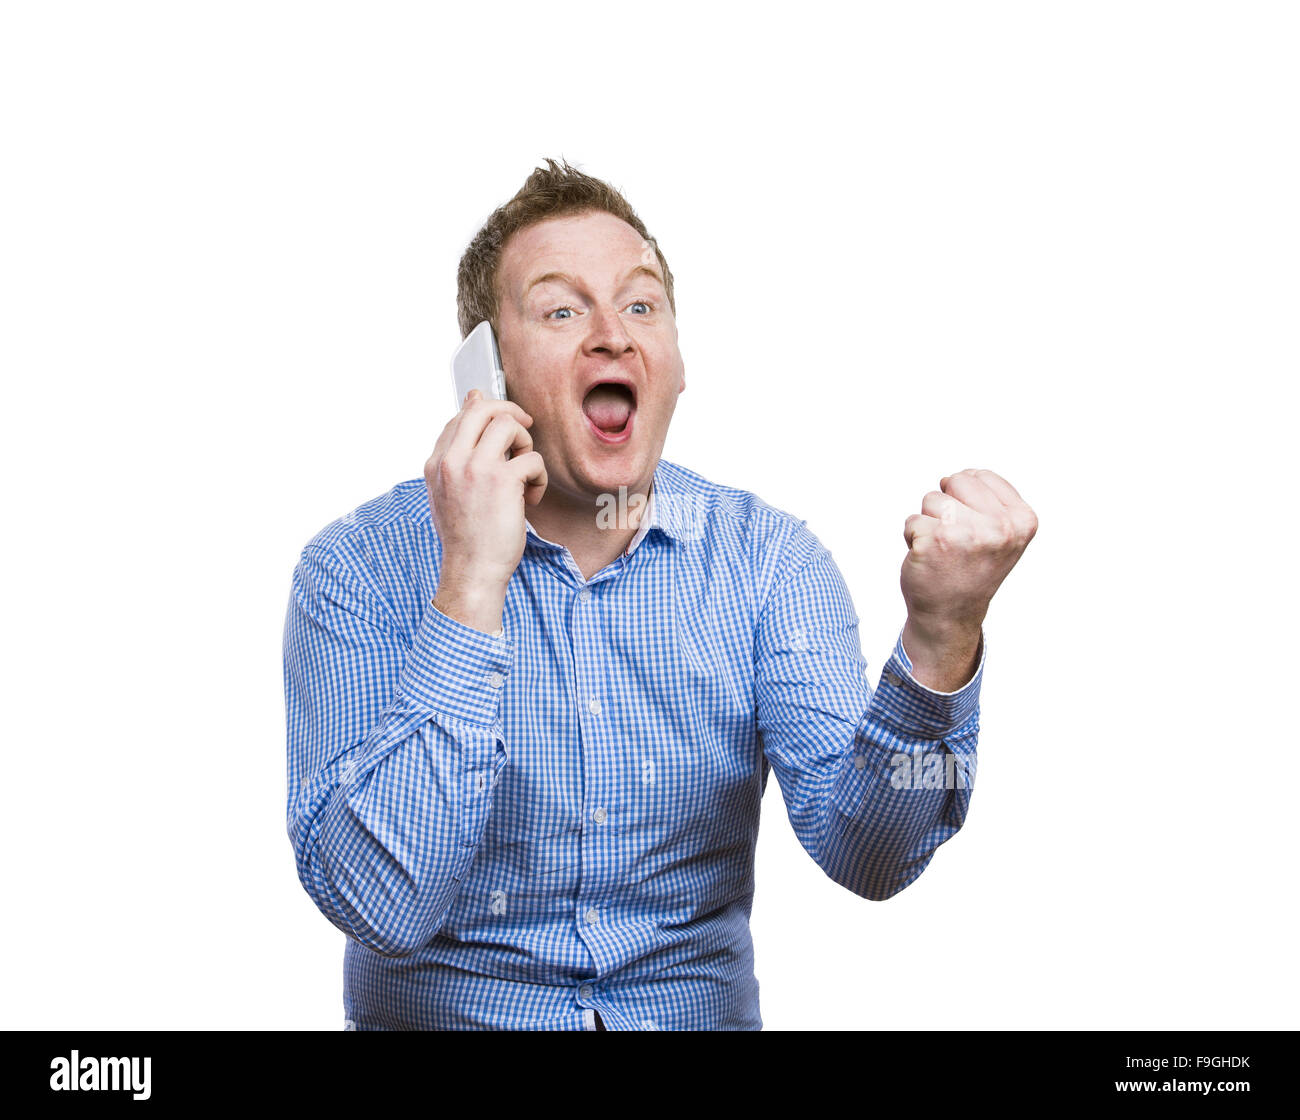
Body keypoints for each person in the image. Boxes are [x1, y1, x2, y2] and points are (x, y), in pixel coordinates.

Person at [282, 158, 1037, 1031]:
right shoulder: (356, 571)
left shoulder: (766, 564)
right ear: (483, 376)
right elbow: (379, 903)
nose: (613, 336)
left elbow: (870, 852)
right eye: (562, 311)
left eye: (641, 306)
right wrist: (472, 582)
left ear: (676, 364)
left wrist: (942, 640)